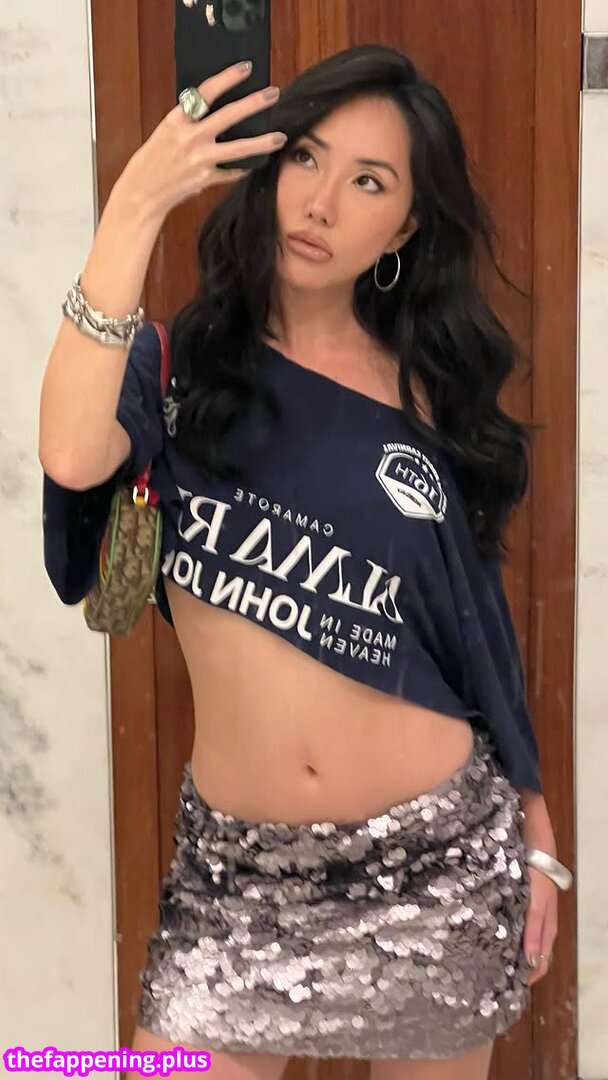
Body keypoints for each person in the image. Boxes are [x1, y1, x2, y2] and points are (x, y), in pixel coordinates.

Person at [39, 43, 572, 1080]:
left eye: (368, 182)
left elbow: (472, 623)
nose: (321, 203)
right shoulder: (171, 372)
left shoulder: (424, 394)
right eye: (307, 160)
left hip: (435, 869)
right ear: (269, 167)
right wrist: (135, 204)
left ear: (403, 228)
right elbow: (69, 454)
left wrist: (534, 818)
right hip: (236, 888)